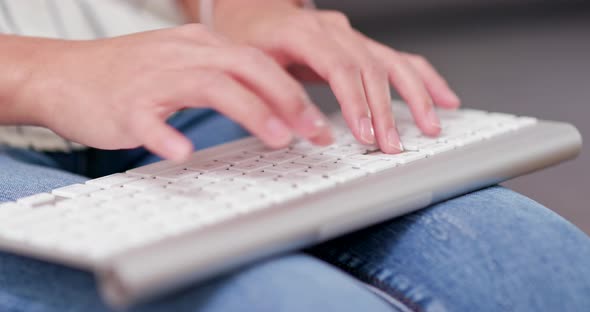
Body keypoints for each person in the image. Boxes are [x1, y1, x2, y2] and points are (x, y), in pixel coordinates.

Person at [0, 1, 589, 311]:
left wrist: (246, 11)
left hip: (174, 79)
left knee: (536, 257)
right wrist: (34, 73)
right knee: (293, 302)